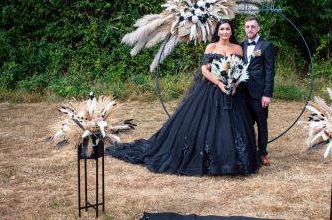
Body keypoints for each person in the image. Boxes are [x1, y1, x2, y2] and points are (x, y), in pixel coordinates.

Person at [107, 19, 261, 176]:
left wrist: (233, 85)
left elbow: (241, 70)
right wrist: (220, 84)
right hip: (213, 89)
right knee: (209, 124)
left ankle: (233, 161)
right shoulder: (211, 47)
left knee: (234, 126)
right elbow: (204, 69)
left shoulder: (237, 48)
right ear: (218, 31)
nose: (225, 32)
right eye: (222, 29)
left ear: (231, 31)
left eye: (228, 29)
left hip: (233, 93)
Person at [240, 16, 276, 166]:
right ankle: (248, 152)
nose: (250, 29)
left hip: (259, 94)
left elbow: (270, 72)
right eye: (247, 26)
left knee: (262, 124)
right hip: (242, 93)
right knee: (245, 124)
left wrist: (267, 94)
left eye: (253, 26)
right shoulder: (240, 45)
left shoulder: (266, 46)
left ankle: (262, 153)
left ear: (258, 28)